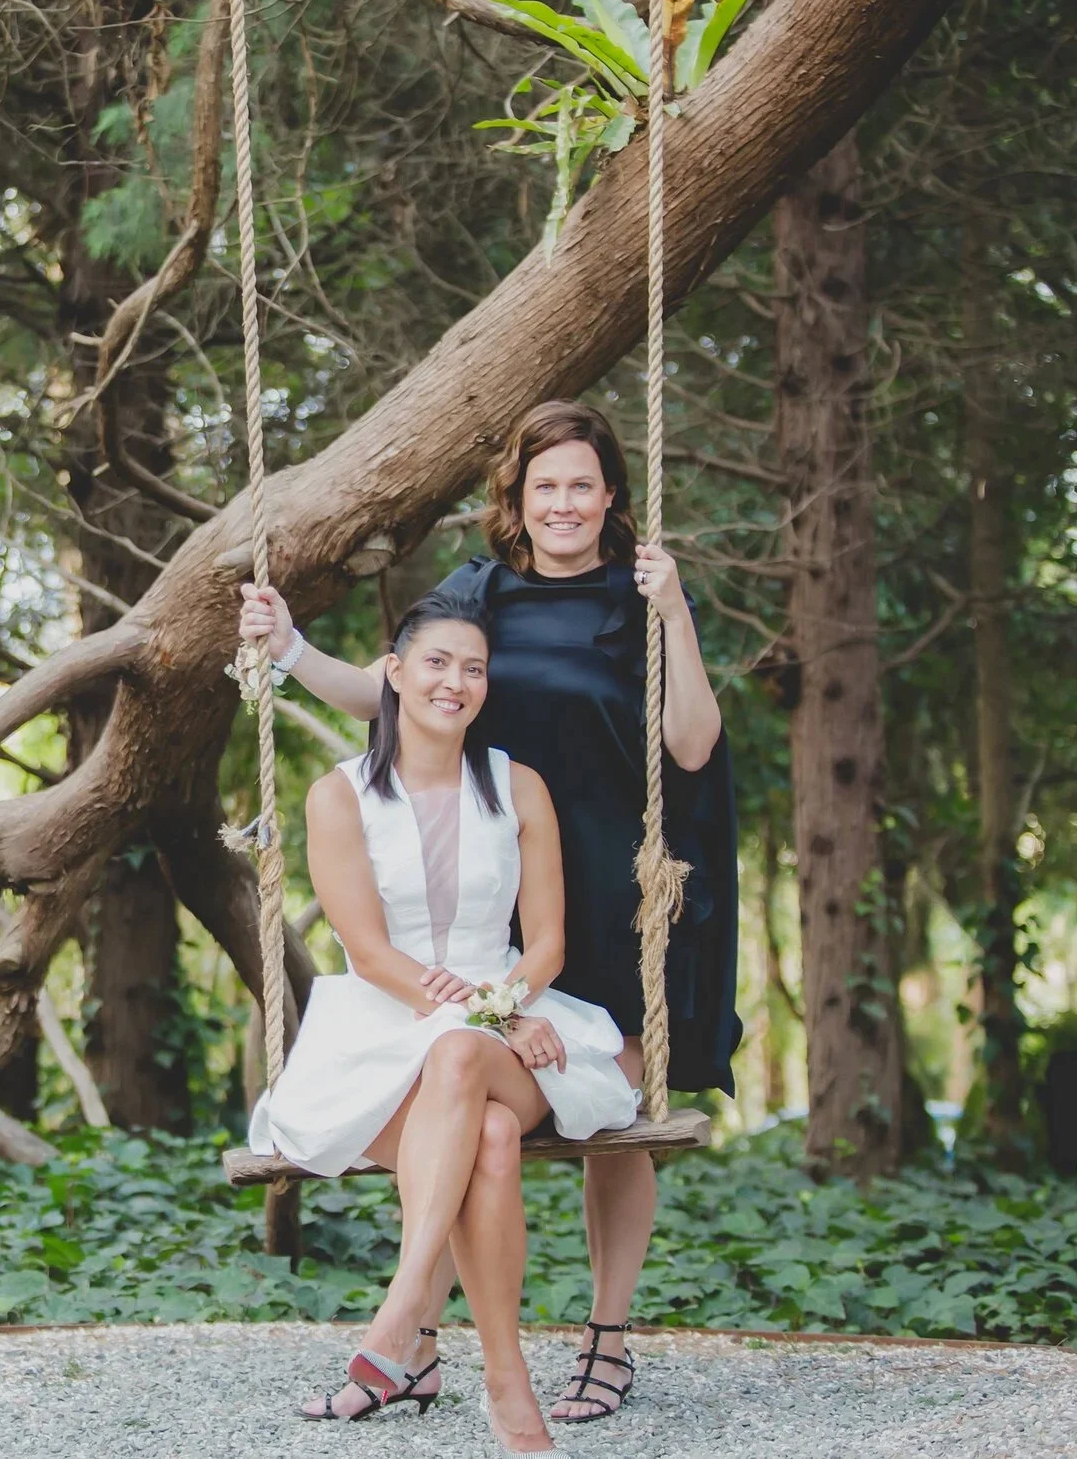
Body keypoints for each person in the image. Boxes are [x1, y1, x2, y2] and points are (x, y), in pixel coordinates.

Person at [239, 398, 743, 1426]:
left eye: (581, 485)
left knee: (624, 1130)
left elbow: (692, 746)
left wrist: (678, 610)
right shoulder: (483, 595)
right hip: (484, 887)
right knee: (446, 1080)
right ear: (517, 498)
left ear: (610, 497)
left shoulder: (639, 596)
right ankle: (421, 1340)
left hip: (606, 897)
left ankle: (605, 1337)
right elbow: (405, 693)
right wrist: (290, 651)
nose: (562, 504)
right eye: (543, 485)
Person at [252, 590, 635, 1456]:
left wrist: (502, 1012)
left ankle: (401, 1318)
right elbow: (371, 954)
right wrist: (487, 1017)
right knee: (490, 1140)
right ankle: (505, 1385)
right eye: (434, 663)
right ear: (392, 674)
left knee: (462, 1059)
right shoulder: (336, 796)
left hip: (510, 1026)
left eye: (472, 669)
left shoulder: (517, 786)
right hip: (381, 1026)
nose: (454, 683)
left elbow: (545, 942)